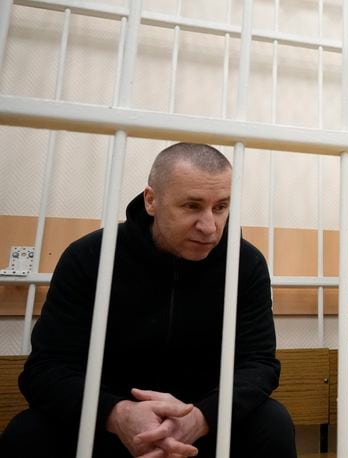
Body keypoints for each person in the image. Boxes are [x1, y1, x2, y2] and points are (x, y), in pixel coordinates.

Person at [0, 143, 296, 458]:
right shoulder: (90, 257)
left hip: (202, 429)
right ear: (151, 200)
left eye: (221, 207)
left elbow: (260, 365)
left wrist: (202, 417)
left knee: (272, 424)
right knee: (28, 434)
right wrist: (115, 414)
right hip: (104, 428)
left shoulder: (245, 264)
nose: (210, 226)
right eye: (192, 206)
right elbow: (46, 369)